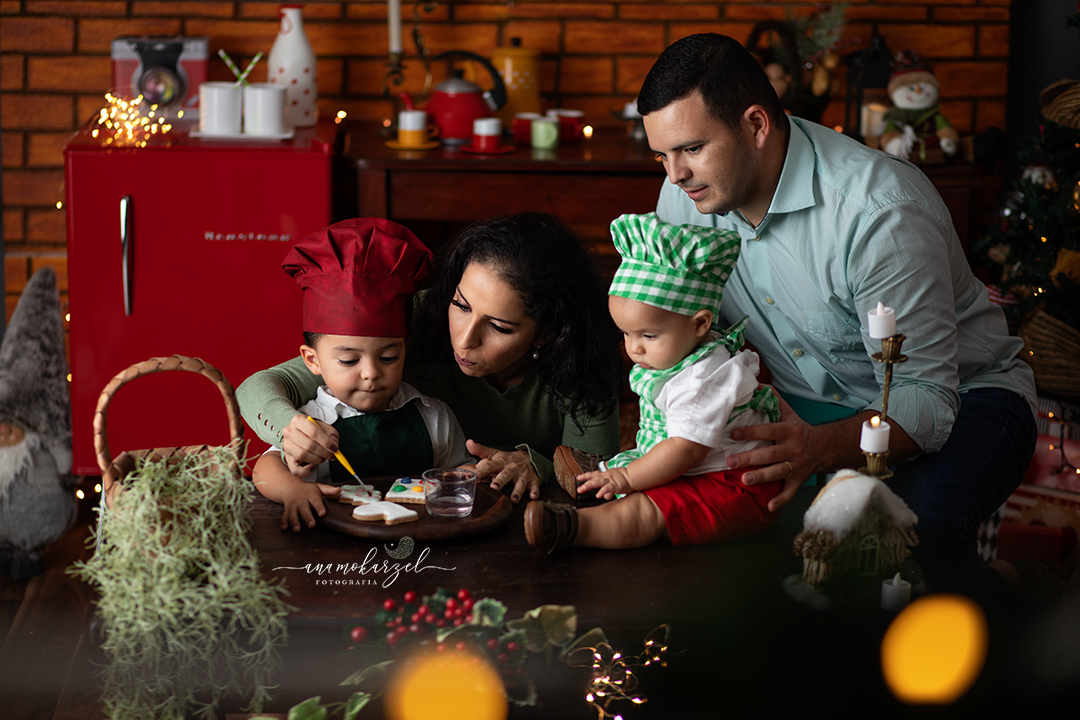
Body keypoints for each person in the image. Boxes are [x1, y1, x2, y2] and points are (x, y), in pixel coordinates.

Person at [636, 33, 1037, 599]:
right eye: (662, 155)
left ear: (756, 125)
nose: (674, 175)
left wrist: (819, 449)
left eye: (692, 149)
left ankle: (1003, 603)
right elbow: (678, 330)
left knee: (909, 539)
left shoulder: (879, 212)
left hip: (967, 397)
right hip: (810, 404)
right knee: (735, 541)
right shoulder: (685, 197)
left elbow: (925, 397)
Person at [238, 213, 624, 505]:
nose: (465, 339)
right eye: (461, 305)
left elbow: (594, 474)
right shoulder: (417, 321)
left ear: (547, 332)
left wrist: (535, 464)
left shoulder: (583, 363)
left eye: (500, 328)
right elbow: (258, 387)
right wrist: (290, 427)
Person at [525, 213, 781, 551]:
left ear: (700, 324)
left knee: (645, 511)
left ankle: (574, 526)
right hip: (694, 464)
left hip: (732, 484)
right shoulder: (681, 351)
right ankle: (599, 474)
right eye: (626, 334)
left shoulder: (704, 378)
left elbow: (686, 449)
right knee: (637, 473)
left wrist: (627, 478)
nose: (634, 347)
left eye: (648, 334)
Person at [252, 217, 472, 531]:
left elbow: (462, 473)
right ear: (312, 361)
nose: (370, 373)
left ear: (405, 352)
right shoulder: (312, 422)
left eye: (388, 357)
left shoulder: (434, 417)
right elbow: (264, 468)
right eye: (347, 361)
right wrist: (292, 489)